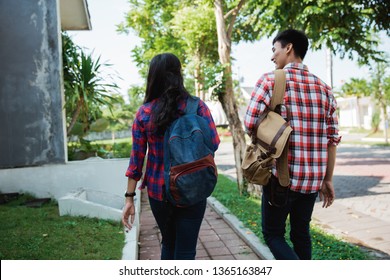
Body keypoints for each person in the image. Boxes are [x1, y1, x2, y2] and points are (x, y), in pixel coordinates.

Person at [244, 29, 341, 260]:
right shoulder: (325, 89)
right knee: (301, 234)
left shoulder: (270, 80)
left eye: (274, 49)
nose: (272, 56)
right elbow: (332, 139)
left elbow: (250, 123)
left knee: (273, 234)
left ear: (288, 48)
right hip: (313, 180)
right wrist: (327, 179)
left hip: (281, 178)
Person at [122, 53, 220, 260]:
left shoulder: (144, 113)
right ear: (178, 74)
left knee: (168, 243)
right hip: (193, 187)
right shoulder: (197, 106)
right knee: (186, 250)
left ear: (153, 77)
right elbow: (214, 143)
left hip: (159, 191)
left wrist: (129, 199)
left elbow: (136, 161)